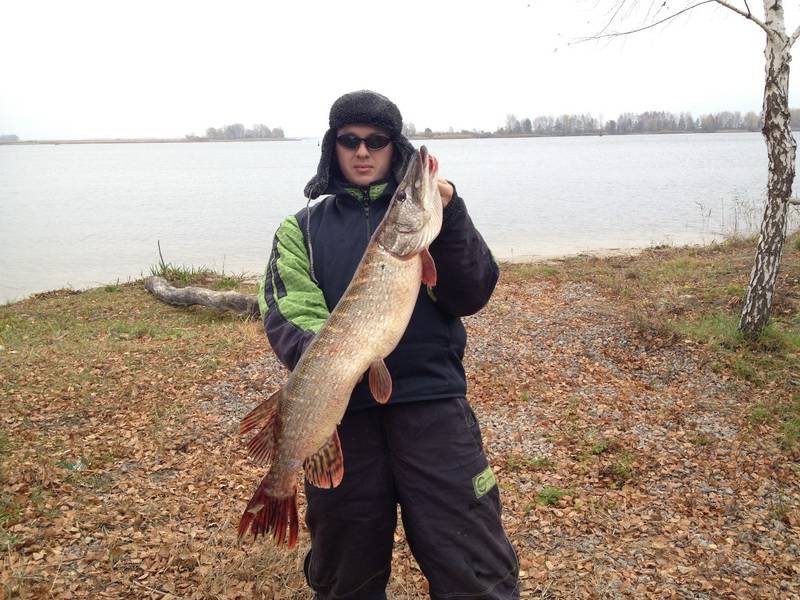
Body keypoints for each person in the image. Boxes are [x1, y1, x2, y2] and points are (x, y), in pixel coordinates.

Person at [259, 90, 519, 599]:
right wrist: (338, 358)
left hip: (433, 407)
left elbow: (471, 292)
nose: (362, 151)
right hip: (342, 415)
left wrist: (448, 208)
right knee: (346, 572)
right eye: (349, 140)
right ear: (331, 147)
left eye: (376, 142)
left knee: (473, 565)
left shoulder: (430, 226)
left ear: (392, 147)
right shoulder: (301, 229)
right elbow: (287, 310)